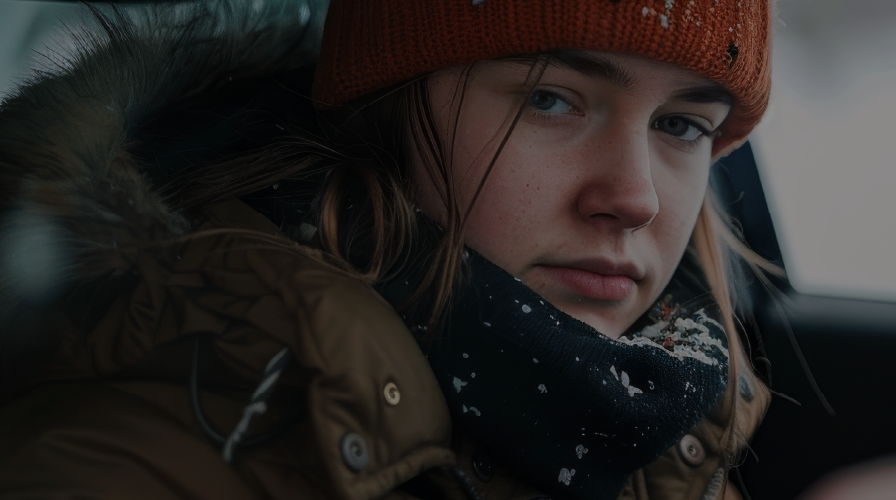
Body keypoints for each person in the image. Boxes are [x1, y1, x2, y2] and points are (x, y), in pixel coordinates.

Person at [0, 1, 777, 499]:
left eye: (681, 125)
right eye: (549, 98)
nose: (636, 198)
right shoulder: (128, 462)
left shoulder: (659, 424)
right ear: (389, 116)